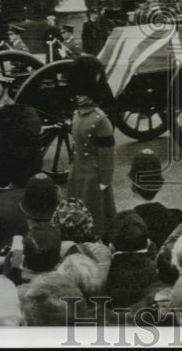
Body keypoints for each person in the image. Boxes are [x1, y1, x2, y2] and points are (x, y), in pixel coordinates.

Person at [68, 57, 117, 242]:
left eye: (82, 93)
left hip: (93, 175)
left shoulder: (100, 120)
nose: (78, 96)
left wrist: (105, 179)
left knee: (97, 216)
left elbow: (107, 154)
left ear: (90, 93)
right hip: (79, 170)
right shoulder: (77, 114)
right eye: (77, 93)